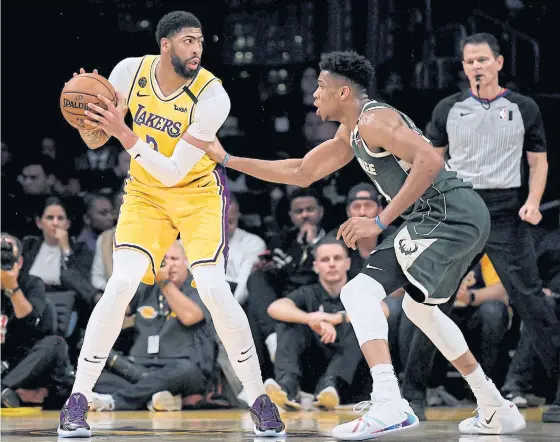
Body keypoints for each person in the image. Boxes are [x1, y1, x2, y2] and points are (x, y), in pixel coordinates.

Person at [200, 51, 526, 439]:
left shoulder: (374, 120)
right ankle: (493, 405)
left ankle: (389, 402)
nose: (315, 95)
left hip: (447, 215)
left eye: (320, 87)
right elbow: (303, 172)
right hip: (455, 217)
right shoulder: (351, 132)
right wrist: (228, 159)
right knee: (420, 312)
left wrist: (379, 221)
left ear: (342, 92)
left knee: (358, 290)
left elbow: (429, 162)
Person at [57, 10, 284, 438]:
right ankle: (78, 400)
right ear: (165, 44)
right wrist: (90, 112)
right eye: (188, 41)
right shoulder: (129, 71)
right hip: (144, 195)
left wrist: (123, 133)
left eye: (200, 41)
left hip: (196, 192)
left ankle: (258, 399)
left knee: (215, 289)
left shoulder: (213, 96)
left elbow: (173, 172)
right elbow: (96, 139)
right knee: (121, 285)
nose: (197, 49)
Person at [426, 32, 560, 424]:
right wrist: (436, 208)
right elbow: (432, 166)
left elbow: (538, 162)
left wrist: (532, 201)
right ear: (463, 67)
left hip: (506, 209)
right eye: (469, 61)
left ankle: (557, 392)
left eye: (483, 60)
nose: (476, 67)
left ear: (499, 63)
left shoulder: (524, 107)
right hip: (462, 208)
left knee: (532, 302)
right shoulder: (448, 108)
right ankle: (415, 389)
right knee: (432, 302)